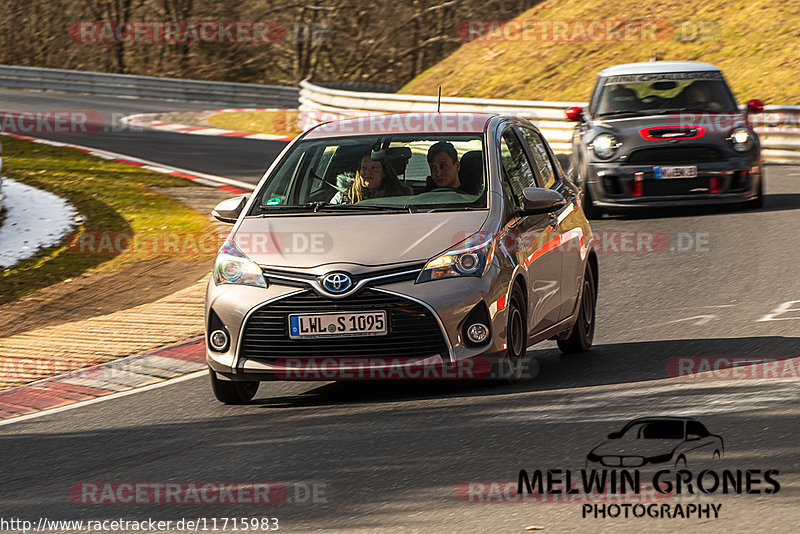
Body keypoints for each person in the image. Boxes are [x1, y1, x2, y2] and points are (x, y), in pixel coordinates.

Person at [330, 151, 412, 204]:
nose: (368, 172)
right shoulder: (343, 197)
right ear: (358, 173)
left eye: (374, 168)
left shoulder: (402, 195)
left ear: (383, 173)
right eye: (364, 168)